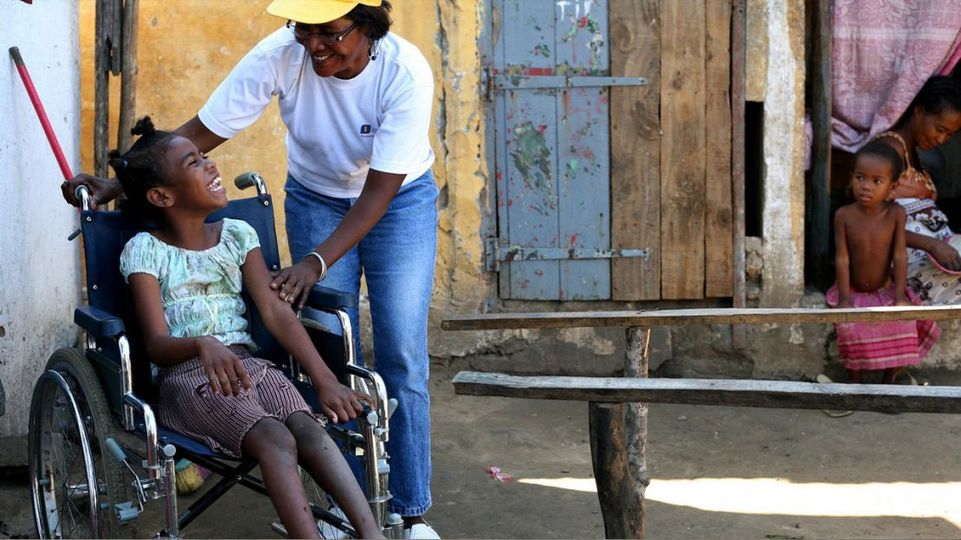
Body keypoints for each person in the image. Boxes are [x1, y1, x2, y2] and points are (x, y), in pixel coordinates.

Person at [62, 1, 440, 537]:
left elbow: (379, 192)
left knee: (401, 352)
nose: (313, 44)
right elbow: (202, 131)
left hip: (397, 198)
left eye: (329, 32)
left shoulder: (405, 72)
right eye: (303, 29)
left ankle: (410, 511)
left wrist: (316, 261)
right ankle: (341, 514)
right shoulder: (281, 54)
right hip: (315, 196)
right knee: (331, 342)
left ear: (369, 26)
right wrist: (118, 184)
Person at [114, 117, 382, 539]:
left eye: (204, 156)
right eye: (193, 162)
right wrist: (201, 344)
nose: (210, 165)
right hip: (187, 378)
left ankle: (373, 535)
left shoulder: (238, 235)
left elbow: (277, 314)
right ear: (162, 195)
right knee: (275, 438)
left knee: (308, 429)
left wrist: (325, 380)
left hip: (251, 367)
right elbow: (155, 344)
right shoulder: (145, 251)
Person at [826, 141, 940, 383]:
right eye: (860, 178)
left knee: (903, 323)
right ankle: (855, 379)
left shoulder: (895, 214)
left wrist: (899, 297)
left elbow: (899, 255)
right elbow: (842, 258)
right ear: (851, 178)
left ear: (893, 187)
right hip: (853, 290)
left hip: (885, 289)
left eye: (877, 181)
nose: (866, 186)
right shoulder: (844, 216)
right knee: (850, 329)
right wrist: (845, 299)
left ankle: (889, 379)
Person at [873, 75, 961, 305]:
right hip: (906, 269)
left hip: (934, 264)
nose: (941, 139)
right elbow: (869, 222)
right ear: (919, 111)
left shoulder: (913, 154)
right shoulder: (886, 152)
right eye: (939, 129)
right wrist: (931, 244)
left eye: (949, 134)